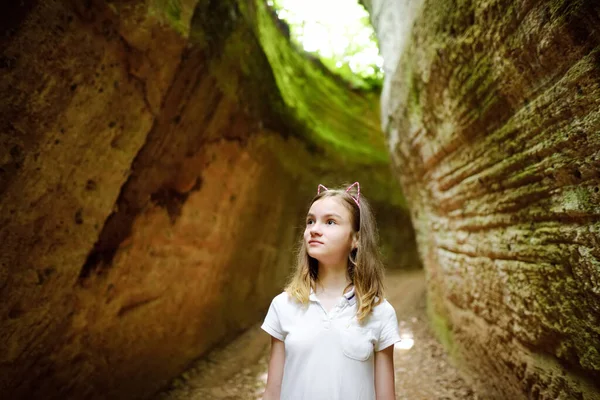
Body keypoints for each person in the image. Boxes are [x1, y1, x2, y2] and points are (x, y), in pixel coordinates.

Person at [261, 182, 401, 400]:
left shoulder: (380, 312)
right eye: (310, 221)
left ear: (356, 239)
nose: (314, 229)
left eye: (330, 222)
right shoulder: (283, 305)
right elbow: (272, 393)